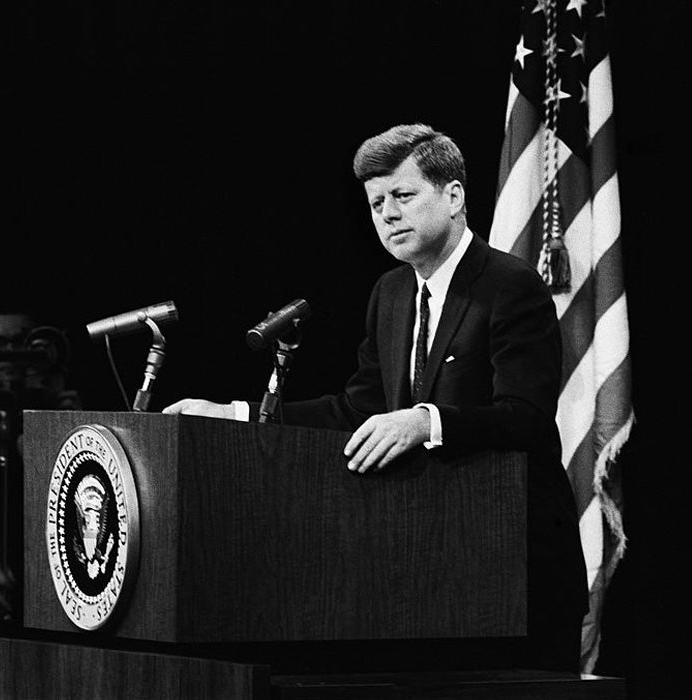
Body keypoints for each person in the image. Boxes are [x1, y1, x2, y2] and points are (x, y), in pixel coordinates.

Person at [163, 123, 588, 672]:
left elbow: (526, 419)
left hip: (515, 569)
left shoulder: (511, 286)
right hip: (425, 572)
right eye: (376, 202)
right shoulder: (390, 293)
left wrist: (424, 422)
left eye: (403, 196)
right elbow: (355, 409)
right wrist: (241, 415)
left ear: (453, 196)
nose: (387, 213)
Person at [0, 311, 81, 626]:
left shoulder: (58, 406)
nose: (9, 351)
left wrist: (71, 427)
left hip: (54, 591)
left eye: (19, 341)